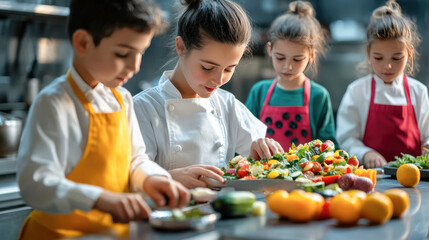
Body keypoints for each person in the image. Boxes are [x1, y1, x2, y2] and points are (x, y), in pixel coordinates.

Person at [17, 0, 190, 239]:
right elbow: (36, 184)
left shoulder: (122, 100)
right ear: (83, 43)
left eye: (140, 52)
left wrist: (152, 178)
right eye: (122, 53)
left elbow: (135, 159)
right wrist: (99, 199)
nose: (135, 66)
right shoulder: (54, 103)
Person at [133, 0, 283, 189]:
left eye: (229, 69)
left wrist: (262, 150)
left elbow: (257, 160)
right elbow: (130, 178)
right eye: (208, 67)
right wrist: (169, 177)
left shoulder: (227, 104)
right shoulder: (144, 108)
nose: (218, 80)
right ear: (181, 47)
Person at [336, 0, 429, 168]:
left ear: (409, 54)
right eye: (378, 58)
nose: (388, 66)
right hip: (372, 176)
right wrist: (365, 153)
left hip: (413, 180)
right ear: (368, 52)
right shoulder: (357, 91)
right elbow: (346, 139)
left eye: (396, 58)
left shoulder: (419, 92)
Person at [245, 1, 338, 150]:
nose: (287, 66)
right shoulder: (259, 92)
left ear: (311, 56)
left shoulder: (318, 95)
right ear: (270, 50)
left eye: (297, 59)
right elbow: (244, 140)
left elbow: (328, 147)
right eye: (280, 58)